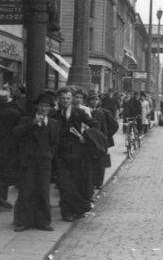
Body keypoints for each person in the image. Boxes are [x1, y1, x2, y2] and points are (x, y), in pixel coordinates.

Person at [51, 86, 99, 222]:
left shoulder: (78, 113)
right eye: (63, 98)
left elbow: (94, 124)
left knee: (74, 182)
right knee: (63, 183)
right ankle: (66, 212)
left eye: (68, 98)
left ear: (71, 99)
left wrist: (85, 137)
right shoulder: (54, 115)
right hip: (59, 154)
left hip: (76, 153)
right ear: (58, 100)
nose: (65, 101)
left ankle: (73, 209)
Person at [13, 93, 59, 231]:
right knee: (25, 191)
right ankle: (24, 221)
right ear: (37, 107)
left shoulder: (53, 124)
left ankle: (44, 221)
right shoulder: (27, 120)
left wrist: (50, 155)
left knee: (43, 191)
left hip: (44, 162)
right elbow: (16, 133)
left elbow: (55, 142)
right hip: (28, 161)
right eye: (41, 106)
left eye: (46, 106)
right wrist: (31, 124)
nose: (43, 109)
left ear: (50, 109)